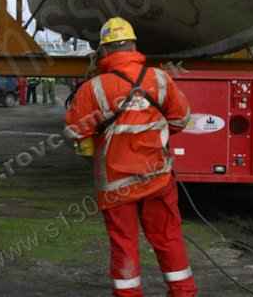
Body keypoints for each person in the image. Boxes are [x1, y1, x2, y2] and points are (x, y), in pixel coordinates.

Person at [64, 17, 197, 297]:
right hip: (158, 177)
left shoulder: (94, 88)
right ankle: (183, 292)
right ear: (134, 45)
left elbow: (74, 131)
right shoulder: (160, 79)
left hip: (115, 184)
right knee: (168, 237)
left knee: (124, 242)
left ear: (104, 51)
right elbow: (181, 120)